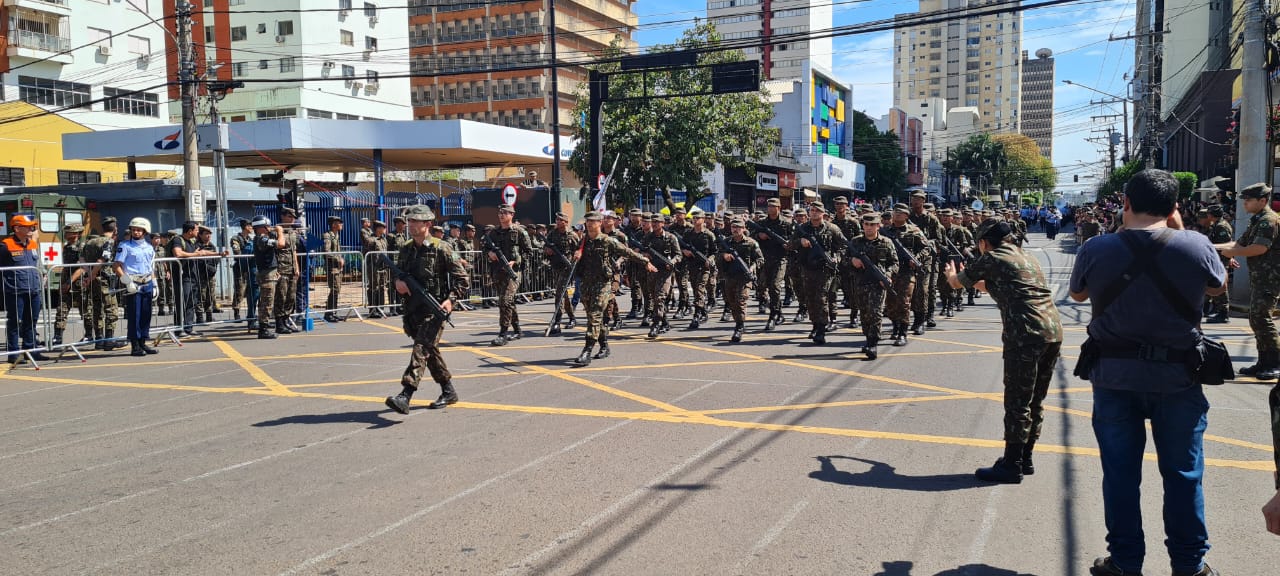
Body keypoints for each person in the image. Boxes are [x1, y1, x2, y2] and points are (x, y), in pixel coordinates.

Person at [1070, 169, 1225, 576]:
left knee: (1120, 476)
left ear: (1125, 203)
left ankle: (1125, 562)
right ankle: (1190, 566)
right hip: (1179, 379)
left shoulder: (1096, 248)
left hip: (1115, 378)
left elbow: (1078, 294)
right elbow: (1216, 288)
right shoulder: (1197, 244)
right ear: (1175, 207)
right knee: (1184, 475)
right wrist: (1178, 230)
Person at [944, 217, 1062, 483]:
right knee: (1035, 399)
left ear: (984, 242)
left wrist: (953, 275)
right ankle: (1025, 457)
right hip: (1052, 332)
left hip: (1025, 335)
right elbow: (993, 286)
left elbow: (956, 283)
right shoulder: (1024, 256)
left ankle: (1011, 465)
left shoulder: (993, 257)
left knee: (1018, 401)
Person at [384, 205, 470, 413]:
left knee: (421, 348)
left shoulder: (442, 248)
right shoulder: (406, 248)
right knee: (429, 351)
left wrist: (450, 300)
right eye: (410, 221)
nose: (411, 225)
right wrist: (397, 282)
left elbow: (462, 280)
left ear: (428, 224)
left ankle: (406, 394)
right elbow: (398, 274)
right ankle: (448, 390)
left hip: (435, 309)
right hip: (413, 309)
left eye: (416, 221)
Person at [571, 211, 656, 366]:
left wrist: (645, 261)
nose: (590, 224)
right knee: (593, 317)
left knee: (596, 315)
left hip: (602, 284)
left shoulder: (607, 241)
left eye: (593, 221)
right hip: (586, 284)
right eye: (588, 221)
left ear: (600, 223)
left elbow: (628, 252)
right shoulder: (584, 241)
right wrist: (576, 254)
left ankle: (587, 350)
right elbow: (577, 258)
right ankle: (604, 346)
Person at [1215, 183, 1280, 379]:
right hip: (1261, 278)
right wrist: (1211, 247)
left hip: (1270, 278)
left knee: (1262, 319)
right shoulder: (1257, 220)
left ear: (1262, 201)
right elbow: (1239, 243)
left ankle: (1274, 362)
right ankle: (1263, 362)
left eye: (1248, 199)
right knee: (1257, 319)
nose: (1244, 203)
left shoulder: (1268, 221)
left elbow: (1259, 248)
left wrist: (1231, 252)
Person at [790, 203, 846, 345]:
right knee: (810, 298)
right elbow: (790, 244)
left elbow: (844, 246)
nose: (814, 213)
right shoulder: (802, 228)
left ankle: (821, 328)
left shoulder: (832, 229)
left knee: (821, 298)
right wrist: (800, 241)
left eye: (817, 211)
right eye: (812, 210)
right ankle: (815, 324)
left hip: (824, 269)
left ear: (823, 213)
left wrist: (836, 258)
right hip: (807, 268)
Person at [847, 213, 897, 358]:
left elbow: (894, 263)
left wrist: (888, 275)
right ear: (863, 225)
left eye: (872, 225)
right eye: (866, 224)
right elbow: (844, 258)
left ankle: (873, 343)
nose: (868, 227)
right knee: (864, 313)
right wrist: (852, 261)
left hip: (878, 283)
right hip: (860, 282)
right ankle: (868, 338)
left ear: (878, 225)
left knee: (875, 312)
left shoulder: (886, 242)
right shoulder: (855, 242)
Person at [484, 205, 532, 345]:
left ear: (512, 215)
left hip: (513, 273)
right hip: (498, 272)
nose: (501, 215)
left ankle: (503, 333)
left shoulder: (519, 232)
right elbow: (484, 248)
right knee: (507, 302)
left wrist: (515, 261)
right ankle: (517, 330)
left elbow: (528, 252)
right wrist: (489, 253)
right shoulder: (493, 233)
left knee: (505, 301)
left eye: (505, 213)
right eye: (500, 212)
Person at [2, 214, 46, 362]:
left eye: (31, 226)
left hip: (33, 290)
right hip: (15, 291)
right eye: (27, 226)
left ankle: (31, 351)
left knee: (31, 321)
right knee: (15, 322)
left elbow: (36, 264)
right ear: (17, 228)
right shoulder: (5, 245)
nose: (31, 229)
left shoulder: (32, 244)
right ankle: (13, 354)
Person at [113, 218, 159, 357]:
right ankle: (135, 345)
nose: (136, 232)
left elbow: (151, 267)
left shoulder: (149, 247)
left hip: (147, 282)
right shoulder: (125, 245)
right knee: (135, 315)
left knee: (146, 314)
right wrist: (127, 282)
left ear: (145, 231)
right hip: (133, 282)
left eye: (139, 230)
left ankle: (143, 341)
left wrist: (155, 283)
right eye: (134, 230)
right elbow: (116, 266)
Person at [718, 217, 763, 342]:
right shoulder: (726, 242)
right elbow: (717, 255)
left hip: (744, 277)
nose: (735, 230)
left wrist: (752, 268)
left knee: (740, 301)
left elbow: (760, 259)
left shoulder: (751, 243)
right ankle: (738, 321)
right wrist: (724, 256)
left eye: (738, 227)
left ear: (744, 229)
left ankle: (739, 326)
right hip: (730, 276)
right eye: (733, 227)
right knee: (732, 302)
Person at [83, 218, 121, 349]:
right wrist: (93, 274)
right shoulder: (109, 242)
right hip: (105, 279)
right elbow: (103, 259)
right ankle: (109, 339)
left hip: (93, 280)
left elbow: (82, 259)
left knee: (97, 309)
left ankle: (99, 339)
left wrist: (89, 274)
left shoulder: (90, 241)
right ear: (115, 229)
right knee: (111, 309)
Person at [544, 212, 580, 334]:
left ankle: (557, 321)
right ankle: (572, 318)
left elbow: (579, 250)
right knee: (563, 294)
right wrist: (547, 250)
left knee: (559, 292)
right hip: (556, 266)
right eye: (557, 219)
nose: (558, 222)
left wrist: (576, 259)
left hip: (567, 268)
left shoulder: (572, 235)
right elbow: (545, 247)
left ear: (566, 222)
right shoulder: (552, 234)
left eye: (560, 220)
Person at [681, 208, 717, 329]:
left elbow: (715, 252)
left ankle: (696, 315)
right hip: (692, 266)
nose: (695, 220)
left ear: (703, 220)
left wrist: (710, 260)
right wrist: (684, 251)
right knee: (696, 289)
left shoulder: (709, 235)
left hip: (704, 267)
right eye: (694, 218)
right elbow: (680, 247)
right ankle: (703, 311)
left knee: (700, 289)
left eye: (698, 218)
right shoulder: (688, 234)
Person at [252, 216, 285, 339]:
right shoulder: (262, 239)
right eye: (267, 226)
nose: (270, 228)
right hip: (266, 274)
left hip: (269, 272)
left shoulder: (264, 238)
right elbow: (281, 244)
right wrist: (280, 232)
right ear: (262, 227)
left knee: (268, 301)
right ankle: (263, 329)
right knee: (267, 302)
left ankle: (264, 326)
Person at [53, 223, 85, 346]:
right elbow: (66, 268)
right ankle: (58, 336)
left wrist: (69, 282)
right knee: (62, 310)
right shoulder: (66, 247)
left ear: (77, 233)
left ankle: (89, 335)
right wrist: (62, 283)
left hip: (79, 283)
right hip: (66, 282)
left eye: (68, 232)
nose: (66, 234)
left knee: (85, 311)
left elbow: (82, 267)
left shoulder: (82, 247)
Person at [229, 219, 254, 321]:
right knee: (240, 289)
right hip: (240, 266)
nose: (252, 228)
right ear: (246, 227)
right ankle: (236, 311)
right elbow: (237, 251)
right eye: (250, 226)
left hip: (250, 266)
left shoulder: (251, 239)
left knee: (250, 290)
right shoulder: (236, 238)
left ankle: (250, 312)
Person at [322, 215, 345, 323]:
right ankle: (328, 313)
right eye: (339, 222)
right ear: (333, 224)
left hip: (338, 267)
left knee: (337, 290)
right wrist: (338, 259)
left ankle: (333, 312)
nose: (341, 224)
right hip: (332, 267)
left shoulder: (336, 235)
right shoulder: (327, 235)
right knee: (334, 289)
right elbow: (326, 252)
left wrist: (341, 258)